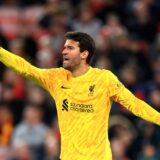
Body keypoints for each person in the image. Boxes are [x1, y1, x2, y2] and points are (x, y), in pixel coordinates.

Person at [0, 31, 160, 160]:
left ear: (84, 54)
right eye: (64, 48)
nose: (63, 51)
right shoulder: (56, 78)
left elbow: (134, 104)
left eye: (70, 48)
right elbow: (25, 68)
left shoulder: (104, 79)